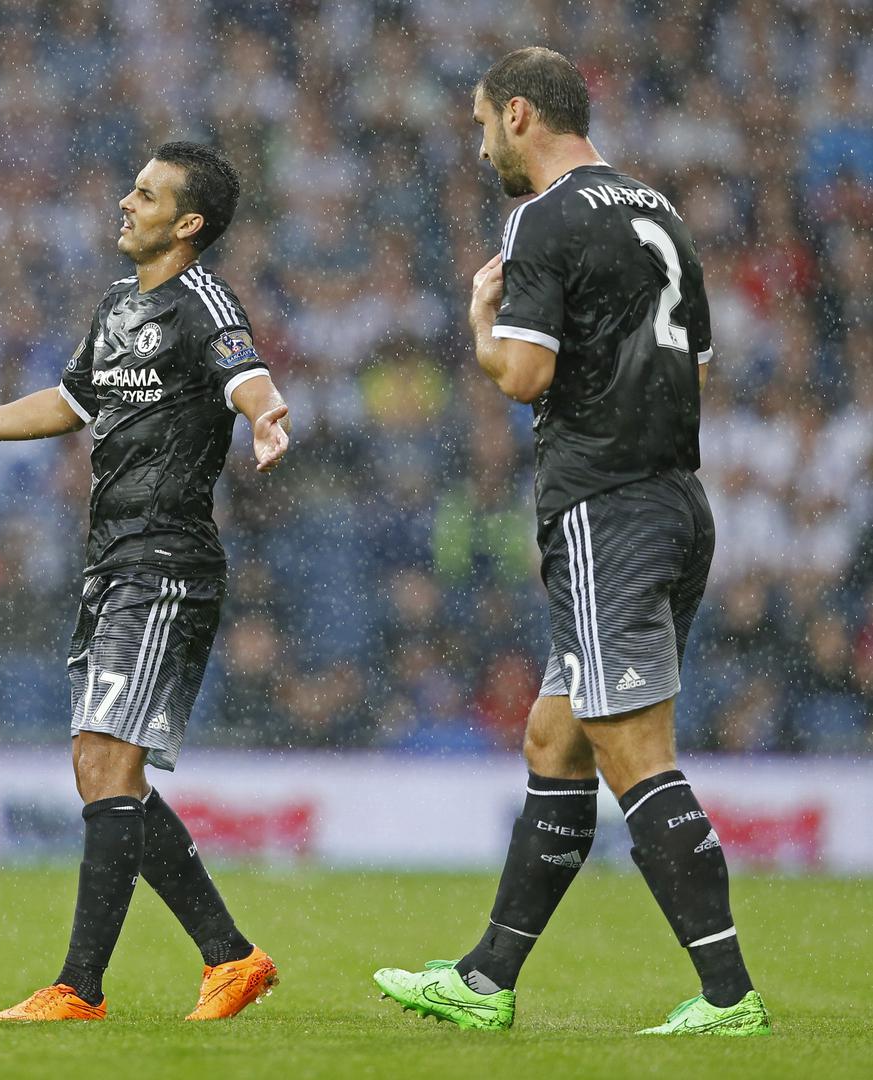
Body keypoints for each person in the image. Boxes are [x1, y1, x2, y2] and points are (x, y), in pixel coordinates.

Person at [373, 47, 769, 1037]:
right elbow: (697, 370)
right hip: (677, 502)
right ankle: (486, 979)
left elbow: (523, 376)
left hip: (605, 509)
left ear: (518, 113)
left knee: (635, 751)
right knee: (557, 737)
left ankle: (729, 996)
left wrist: (480, 324)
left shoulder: (542, 216)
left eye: (480, 124)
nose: (480, 148)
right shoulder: (658, 211)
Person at [0, 142, 290, 1022]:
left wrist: (264, 415)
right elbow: (70, 403)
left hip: (166, 564)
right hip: (112, 560)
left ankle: (78, 988)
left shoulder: (203, 300)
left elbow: (245, 371)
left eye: (146, 195)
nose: (124, 202)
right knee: (103, 768)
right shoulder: (115, 305)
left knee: (105, 758)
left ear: (187, 223)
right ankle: (229, 956)